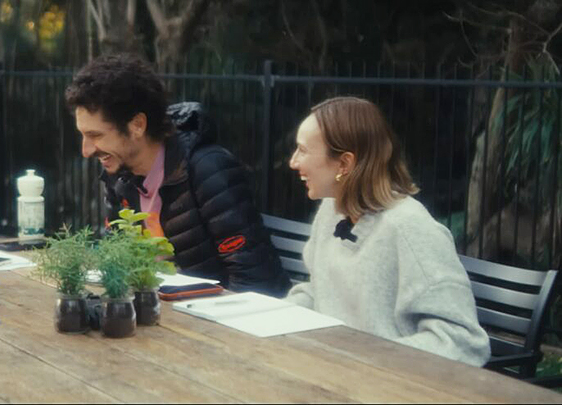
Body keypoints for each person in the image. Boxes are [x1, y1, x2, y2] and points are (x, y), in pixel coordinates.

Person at [284, 96, 490, 366]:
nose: (293, 162)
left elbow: (463, 342)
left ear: (344, 164)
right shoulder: (331, 211)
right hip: (334, 374)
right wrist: (274, 315)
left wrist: (367, 360)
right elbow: (320, 291)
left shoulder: (410, 229)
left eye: (303, 150)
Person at [64, 53, 291, 296]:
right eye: (83, 135)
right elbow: (117, 261)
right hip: (165, 315)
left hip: (223, 321)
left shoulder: (208, 170)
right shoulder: (119, 174)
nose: (86, 151)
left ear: (137, 125)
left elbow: (255, 283)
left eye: (96, 135)